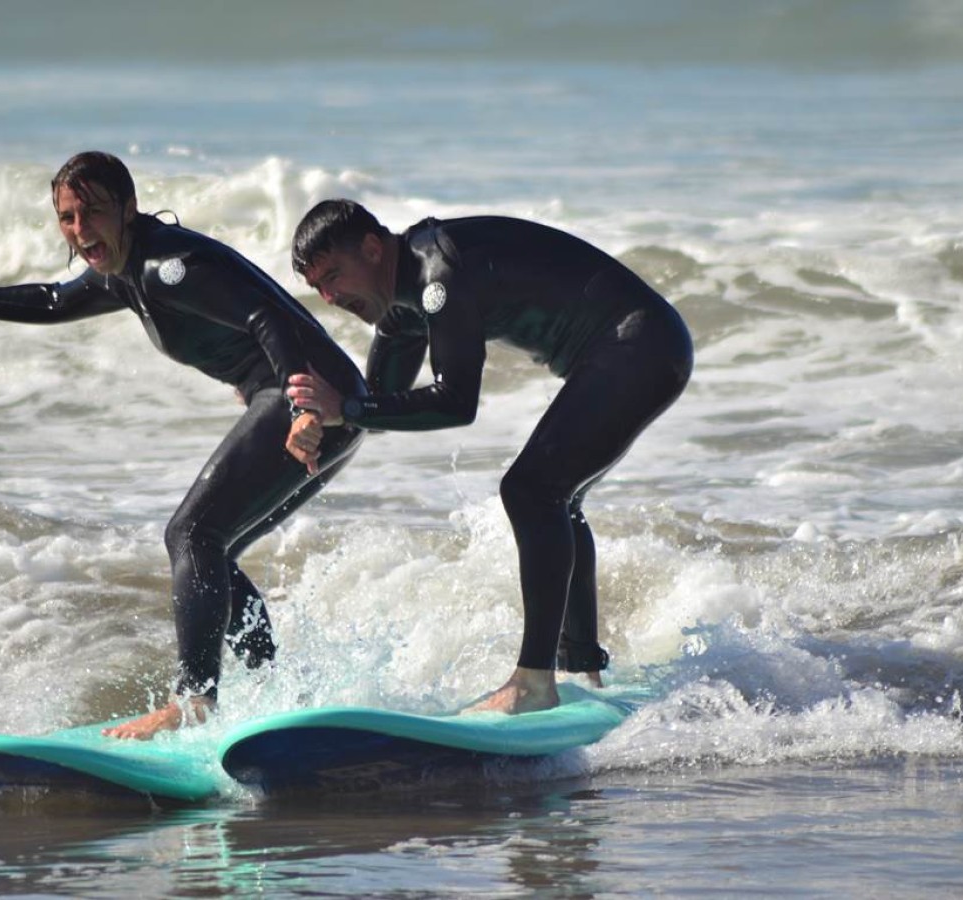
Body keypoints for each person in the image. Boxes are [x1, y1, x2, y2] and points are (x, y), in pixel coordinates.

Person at [0, 152, 366, 739]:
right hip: (323, 404)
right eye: (67, 217)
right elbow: (58, 300)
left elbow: (267, 317)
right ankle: (281, 696)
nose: (80, 228)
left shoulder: (167, 268)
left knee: (191, 536)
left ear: (129, 209)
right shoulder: (123, 270)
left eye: (92, 212)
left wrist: (300, 405)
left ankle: (193, 701)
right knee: (212, 548)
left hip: (312, 403)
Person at [285, 200, 692, 715]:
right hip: (634, 345)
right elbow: (379, 401)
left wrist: (343, 407)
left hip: (639, 343)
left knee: (531, 491)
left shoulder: (439, 277)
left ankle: (534, 681)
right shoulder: (402, 304)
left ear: (372, 248)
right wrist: (316, 415)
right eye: (318, 288)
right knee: (554, 497)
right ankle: (580, 668)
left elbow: (455, 402)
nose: (330, 297)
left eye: (335, 276)